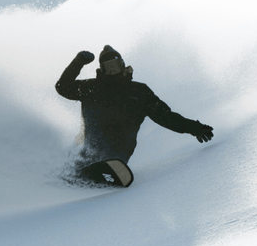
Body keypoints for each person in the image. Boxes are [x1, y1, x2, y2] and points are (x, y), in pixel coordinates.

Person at [55, 45, 213, 185]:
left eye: (114, 65)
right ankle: (72, 173)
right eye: (107, 67)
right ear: (101, 69)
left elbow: (167, 117)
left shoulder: (139, 92)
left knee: (115, 146)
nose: (112, 70)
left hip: (117, 154)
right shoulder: (92, 88)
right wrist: (78, 62)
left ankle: (109, 168)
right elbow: (63, 87)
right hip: (88, 150)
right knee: (81, 153)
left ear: (122, 65)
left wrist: (196, 128)